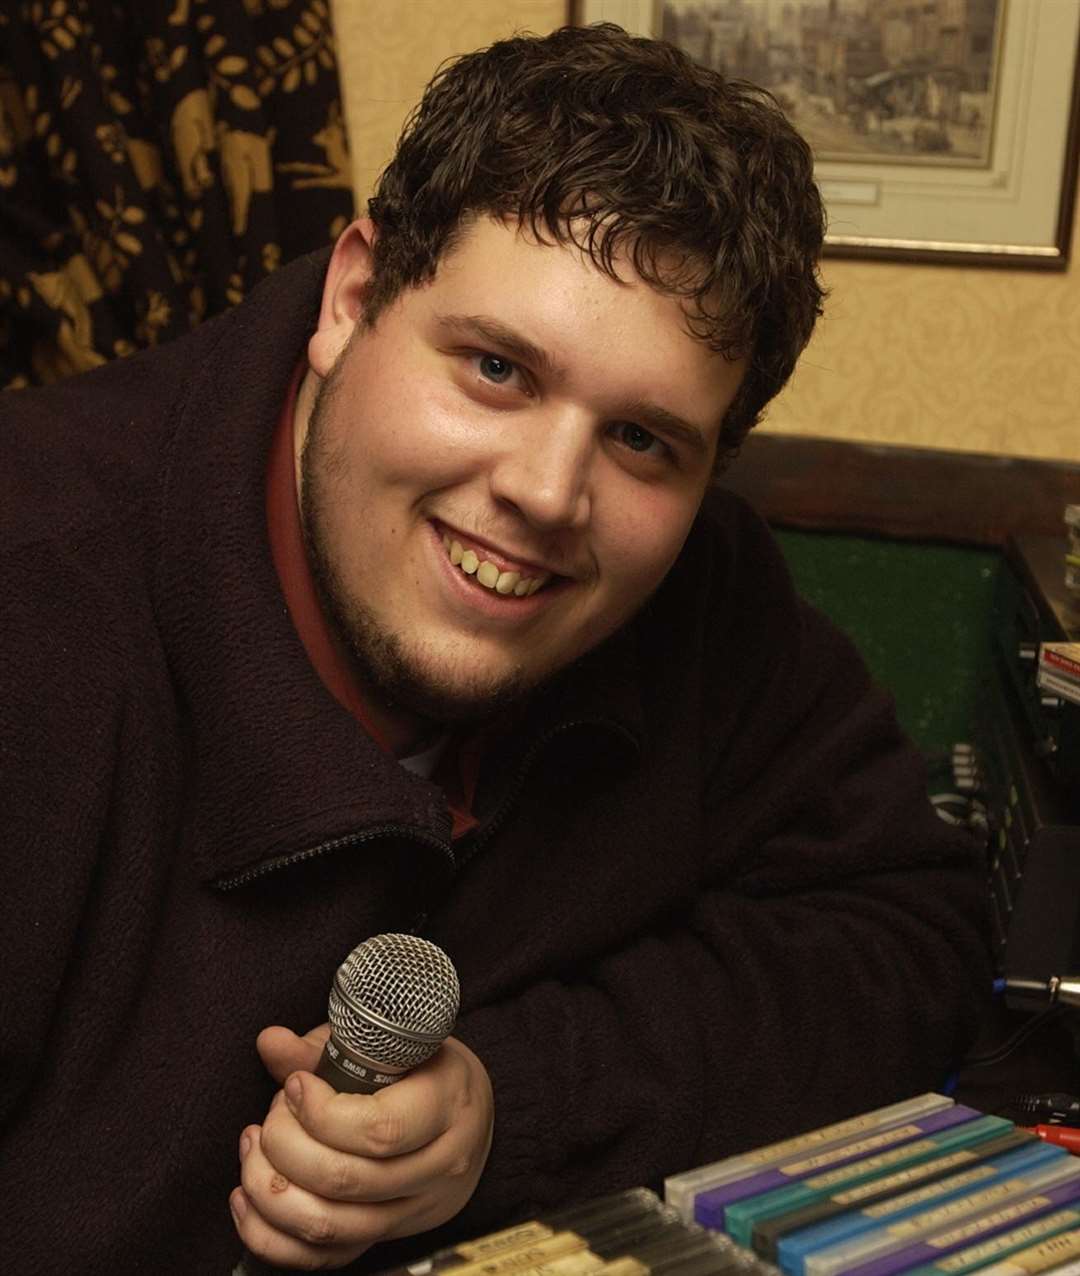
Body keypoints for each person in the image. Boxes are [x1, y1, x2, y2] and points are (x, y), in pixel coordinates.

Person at [0, 22, 990, 1274]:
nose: (546, 492)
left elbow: (913, 934)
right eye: (495, 368)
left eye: (642, 440)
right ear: (352, 295)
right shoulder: (34, 598)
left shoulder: (705, 594)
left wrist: (505, 1108)